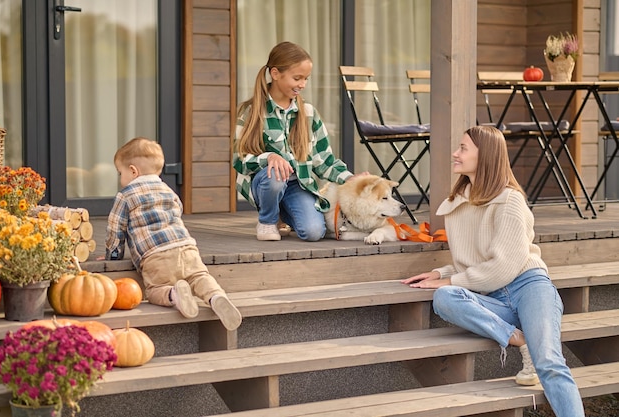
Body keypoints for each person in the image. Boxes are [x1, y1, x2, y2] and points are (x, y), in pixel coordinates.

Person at [401, 126, 584, 417]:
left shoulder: (510, 201)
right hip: (492, 299)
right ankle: (520, 340)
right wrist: (441, 273)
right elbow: (474, 263)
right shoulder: (456, 205)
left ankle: (536, 354)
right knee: (444, 297)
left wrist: (450, 277)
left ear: (484, 156)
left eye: (463, 148)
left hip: (529, 288)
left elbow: (503, 267)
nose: (455, 154)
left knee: (549, 361)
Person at [104, 137, 242, 330]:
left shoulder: (126, 195)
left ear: (133, 171)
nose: (121, 178)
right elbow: (178, 210)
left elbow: (115, 228)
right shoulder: (168, 190)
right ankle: (216, 296)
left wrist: (113, 255)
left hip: (155, 256)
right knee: (200, 277)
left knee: (154, 290)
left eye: (121, 173)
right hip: (186, 247)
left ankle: (173, 294)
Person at [233, 41, 360, 241]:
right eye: (297, 78)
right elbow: (239, 160)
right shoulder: (251, 111)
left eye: (306, 79)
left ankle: (283, 212)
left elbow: (324, 161)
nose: (302, 84)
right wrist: (270, 157)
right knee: (276, 175)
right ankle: (267, 220)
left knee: (313, 233)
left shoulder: (308, 113)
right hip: (266, 183)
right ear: (275, 74)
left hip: (298, 184)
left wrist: (351, 179)